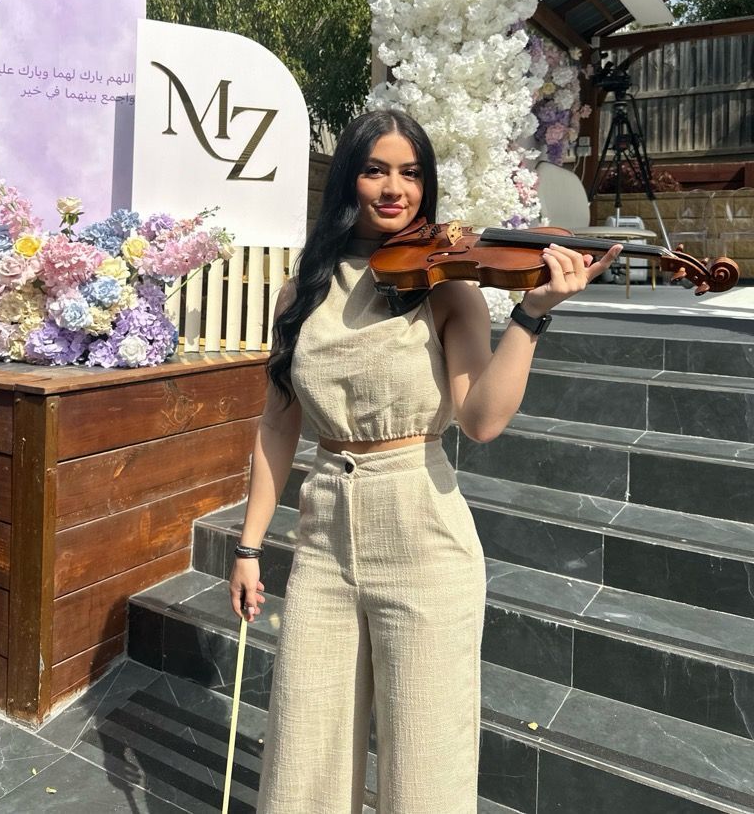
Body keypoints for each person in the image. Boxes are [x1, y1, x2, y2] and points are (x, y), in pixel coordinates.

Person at [229, 109, 620, 814]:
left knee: (425, 770)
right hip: (323, 539)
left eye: (410, 172)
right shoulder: (302, 289)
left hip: (423, 532)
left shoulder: (449, 284)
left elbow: (482, 418)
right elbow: (276, 425)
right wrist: (250, 546)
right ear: (349, 175)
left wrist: (531, 314)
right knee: (302, 757)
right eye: (376, 168)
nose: (394, 187)